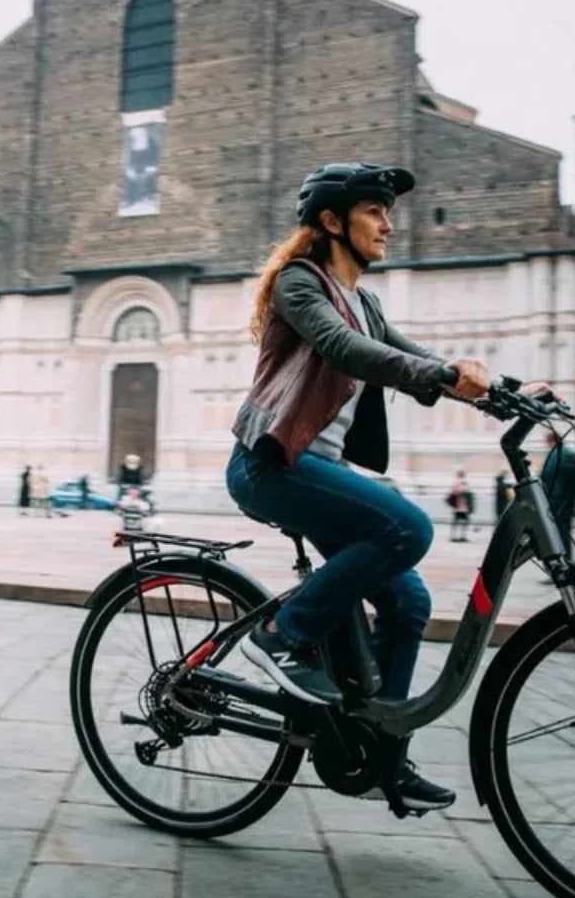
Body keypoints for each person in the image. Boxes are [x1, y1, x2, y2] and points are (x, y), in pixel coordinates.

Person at [225, 161, 551, 812]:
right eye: (374, 210)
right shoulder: (300, 283)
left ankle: (382, 753)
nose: (388, 223)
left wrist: (506, 394)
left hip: (322, 472)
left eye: (387, 211)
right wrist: (442, 376)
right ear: (330, 221)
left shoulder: (367, 302)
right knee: (409, 527)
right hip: (270, 464)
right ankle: (284, 635)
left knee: (408, 604)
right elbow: (342, 349)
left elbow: (416, 362)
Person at [539, 432, 575, 558]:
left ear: (552, 441)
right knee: (565, 532)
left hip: (556, 499)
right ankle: (567, 560)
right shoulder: (568, 453)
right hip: (568, 499)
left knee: (557, 533)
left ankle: (563, 561)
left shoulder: (555, 455)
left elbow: (546, 474)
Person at [446, 470, 474, 542]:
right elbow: (458, 491)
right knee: (460, 522)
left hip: (461, 507)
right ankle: (457, 537)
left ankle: (458, 536)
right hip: (460, 506)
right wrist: (464, 489)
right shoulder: (459, 482)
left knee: (459, 522)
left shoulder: (460, 482)